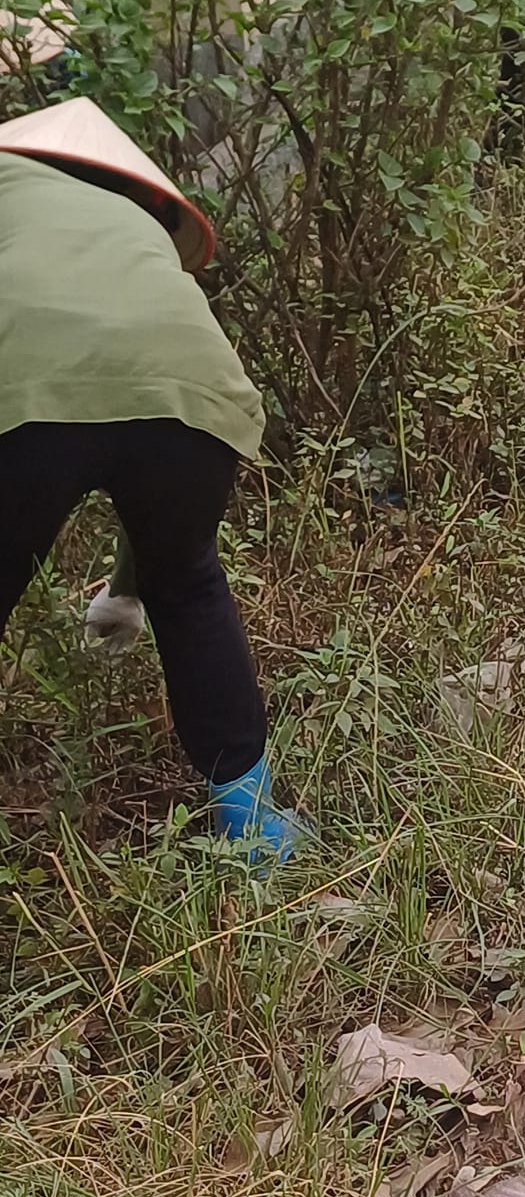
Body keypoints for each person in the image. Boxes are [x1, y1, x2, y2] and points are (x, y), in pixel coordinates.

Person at [0, 95, 301, 858]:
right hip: (193, 396)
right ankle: (257, 832)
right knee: (189, 583)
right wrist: (132, 588)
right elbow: (131, 389)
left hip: (27, 393)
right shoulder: (132, 223)